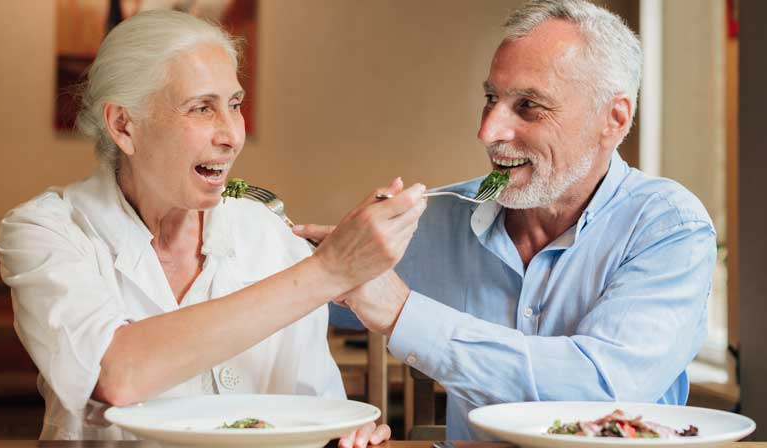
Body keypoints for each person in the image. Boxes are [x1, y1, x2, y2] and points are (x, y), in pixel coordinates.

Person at [0, 10, 427, 446]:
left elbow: (313, 409)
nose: (232, 135)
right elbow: (114, 374)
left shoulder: (271, 236)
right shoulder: (45, 231)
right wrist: (329, 271)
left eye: (235, 105)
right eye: (202, 108)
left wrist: (343, 436)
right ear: (124, 125)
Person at [300, 0, 717, 441]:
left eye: (529, 106)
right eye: (491, 99)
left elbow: (601, 391)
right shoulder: (437, 220)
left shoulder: (670, 227)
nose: (488, 131)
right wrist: (321, 265)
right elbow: (303, 302)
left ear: (613, 119)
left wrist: (400, 312)